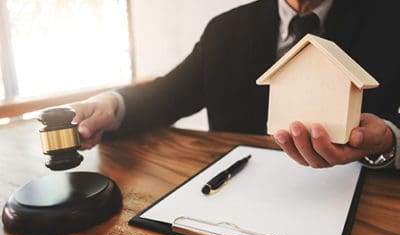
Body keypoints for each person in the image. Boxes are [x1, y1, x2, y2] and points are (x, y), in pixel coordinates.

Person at [70, 0, 400, 170]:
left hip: (366, 203)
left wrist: (389, 142)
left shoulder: (390, 20)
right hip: (236, 197)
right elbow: (169, 95)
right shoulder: (224, 31)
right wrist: (112, 104)